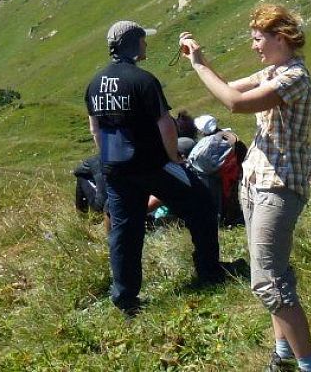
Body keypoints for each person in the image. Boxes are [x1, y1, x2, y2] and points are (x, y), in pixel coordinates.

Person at [179, 4, 311, 372]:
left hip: (280, 185)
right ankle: (284, 353)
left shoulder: (293, 78)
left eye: (259, 39)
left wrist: (197, 66)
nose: (255, 46)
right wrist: (201, 58)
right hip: (257, 179)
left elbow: (234, 102)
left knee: (268, 281)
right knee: (273, 271)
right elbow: (227, 88)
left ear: (280, 37)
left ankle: (310, 366)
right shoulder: (274, 71)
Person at [85, 20, 227, 316]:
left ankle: (125, 299)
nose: (146, 44)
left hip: (116, 168)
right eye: (143, 40)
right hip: (152, 163)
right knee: (200, 203)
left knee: (125, 231)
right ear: (134, 43)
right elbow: (165, 123)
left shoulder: (95, 83)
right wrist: (173, 155)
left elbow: (95, 129)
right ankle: (209, 271)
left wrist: (109, 158)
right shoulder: (143, 80)